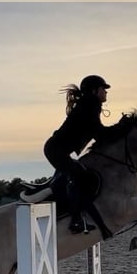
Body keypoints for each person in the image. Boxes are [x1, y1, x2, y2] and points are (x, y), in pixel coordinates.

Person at [43, 74, 117, 234]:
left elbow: (99, 132)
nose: (106, 92)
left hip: (56, 150)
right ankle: (76, 221)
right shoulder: (91, 104)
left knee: (80, 177)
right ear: (94, 90)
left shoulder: (88, 104)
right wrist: (121, 128)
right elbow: (99, 133)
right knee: (80, 179)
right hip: (57, 151)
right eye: (103, 88)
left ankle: (77, 216)